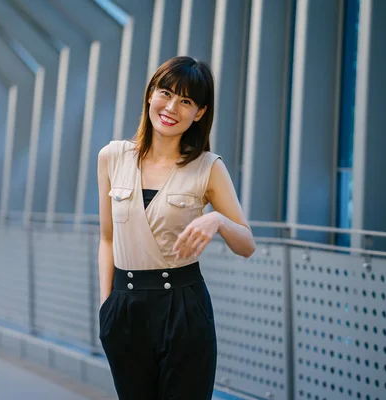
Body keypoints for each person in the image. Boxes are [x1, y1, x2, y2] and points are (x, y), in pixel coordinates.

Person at [97, 56, 255, 400]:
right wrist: (106, 306)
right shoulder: (112, 157)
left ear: (199, 112)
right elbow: (107, 238)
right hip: (124, 308)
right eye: (165, 93)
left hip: (183, 307)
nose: (172, 107)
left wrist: (219, 220)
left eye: (186, 101)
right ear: (150, 94)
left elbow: (247, 245)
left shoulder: (207, 167)